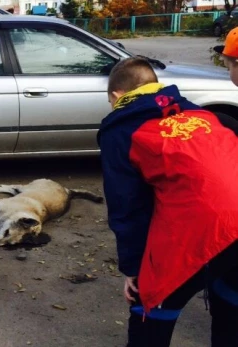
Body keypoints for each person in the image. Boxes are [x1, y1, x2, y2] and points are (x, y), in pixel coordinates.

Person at [98, 57, 238, 346]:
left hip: (207, 224)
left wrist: (135, 269)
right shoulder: (200, 113)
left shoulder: (121, 130)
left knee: (150, 303)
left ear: (116, 96)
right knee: (231, 300)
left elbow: (127, 206)